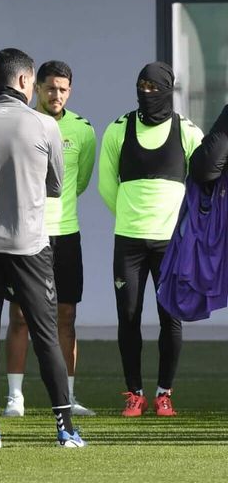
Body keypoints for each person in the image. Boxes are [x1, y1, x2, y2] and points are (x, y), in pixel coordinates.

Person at [0, 47, 84, 449]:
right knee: (46, 336)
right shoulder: (44, 125)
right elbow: (56, 186)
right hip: (30, 245)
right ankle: (64, 428)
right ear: (26, 80)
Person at [98, 61, 203, 417]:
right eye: (141, 85)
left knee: (170, 317)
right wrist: (130, 216)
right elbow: (105, 184)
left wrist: (180, 226)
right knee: (128, 316)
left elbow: (203, 181)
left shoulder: (187, 131)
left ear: (168, 90)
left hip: (172, 244)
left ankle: (163, 394)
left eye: (154, 86)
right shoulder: (118, 129)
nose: (147, 92)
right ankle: (135, 393)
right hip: (128, 241)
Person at [3, 61, 96, 418]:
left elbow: (81, 180)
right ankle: (15, 397)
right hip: (27, 234)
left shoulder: (83, 129)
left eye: (63, 89)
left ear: (69, 91)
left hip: (66, 235)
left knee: (66, 315)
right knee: (21, 316)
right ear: (36, 89)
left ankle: (68, 396)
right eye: (50, 88)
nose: (56, 95)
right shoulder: (20, 123)